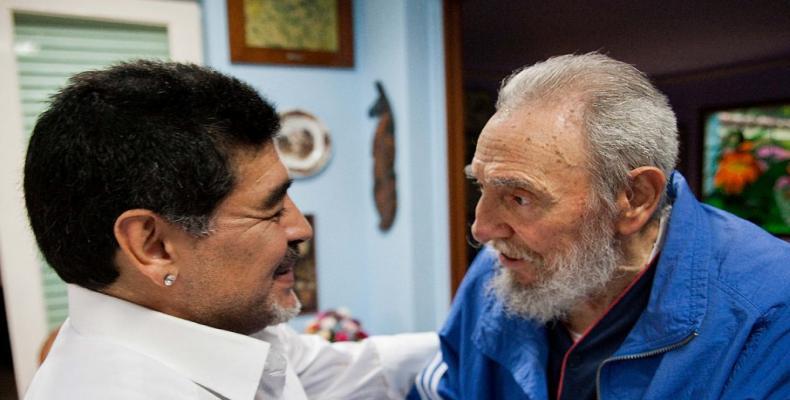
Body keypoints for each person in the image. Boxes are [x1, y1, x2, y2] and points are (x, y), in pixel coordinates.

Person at [23, 60, 437, 399]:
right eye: (270, 209)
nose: (300, 228)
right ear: (153, 245)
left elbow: (351, 370)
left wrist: (479, 330)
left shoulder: (221, 320)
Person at [411, 53, 790, 399]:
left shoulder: (770, 308)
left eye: (519, 198)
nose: (482, 229)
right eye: (481, 186)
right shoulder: (498, 272)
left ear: (635, 198)